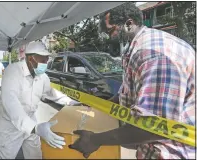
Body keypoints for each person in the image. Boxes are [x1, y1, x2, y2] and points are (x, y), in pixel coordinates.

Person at [68, 3, 195, 159]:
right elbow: (126, 93)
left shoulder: (153, 55)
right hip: (152, 150)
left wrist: (94, 140)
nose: (109, 37)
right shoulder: (139, 47)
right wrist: (97, 108)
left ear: (129, 24)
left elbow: (152, 126)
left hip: (172, 153)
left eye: (111, 30)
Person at [0, 41, 77, 159]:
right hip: (9, 127)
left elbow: (51, 93)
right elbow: (11, 104)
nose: (46, 63)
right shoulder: (13, 71)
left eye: (47, 59)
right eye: (43, 60)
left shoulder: (42, 77)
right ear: (31, 58)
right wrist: (35, 128)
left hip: (31, 121)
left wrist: (70, 102)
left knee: (35, 156)